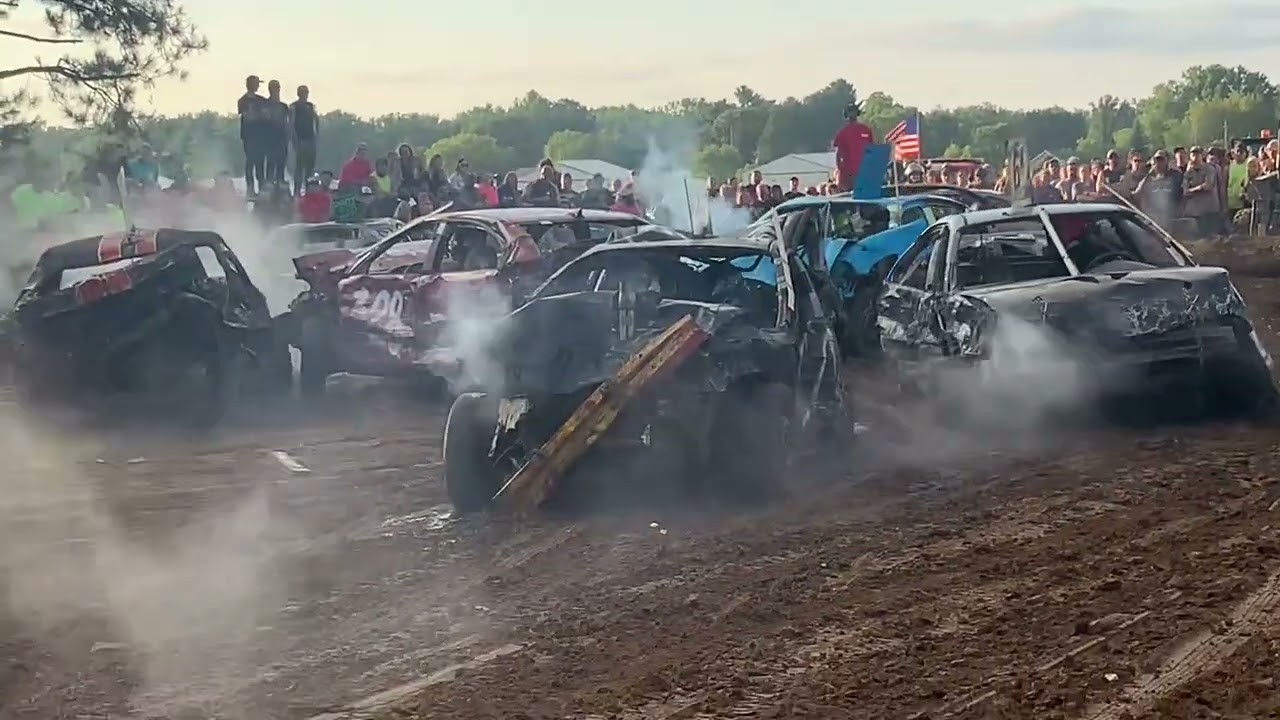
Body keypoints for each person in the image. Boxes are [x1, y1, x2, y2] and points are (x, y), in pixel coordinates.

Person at [831, 99, 874, 193]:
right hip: (849, 175)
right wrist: (841, 172)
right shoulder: (842, 133)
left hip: (865, 173)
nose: (852, 115)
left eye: (854, 112)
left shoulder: (866, 130)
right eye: (850, 112)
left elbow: (872, 150)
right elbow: (838, 154)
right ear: (846, 115)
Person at [1134, 151, 1180, 231]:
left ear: (1167, 161)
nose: (1159, 163)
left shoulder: (1175, 175)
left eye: (1161, 160)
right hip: (1153, 214)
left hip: (1169, 213)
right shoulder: (1149, 177)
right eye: (1157, 160)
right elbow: (1138, 192)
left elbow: (1179, 192)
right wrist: (1149, 175)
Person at [237, 75, 267, 197]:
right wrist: (258, 115)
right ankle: (250, 188)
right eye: (256, 83)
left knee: (260, 163)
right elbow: (247, 116)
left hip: (260, 135)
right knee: (250, 162)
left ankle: (261, 188)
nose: (258, 86)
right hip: (249, 135)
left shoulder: (262, 100)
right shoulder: (243, 100)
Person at [290, 85, 318, 196]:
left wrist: (316, 137)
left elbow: (316, 120)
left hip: (310, 139)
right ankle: (297, 191)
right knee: (299, 167)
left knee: (310, 168)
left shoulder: (310, 106)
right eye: (303, 93)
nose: (305, 95)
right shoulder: (294, 106)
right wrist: (294, 139)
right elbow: (291, 124)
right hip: (300, 139)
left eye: (306, 93)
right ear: (298, 94)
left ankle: (308, 190)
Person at [262, 80, 290, 190]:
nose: (276, 90)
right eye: (274, 88)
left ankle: (280, 180)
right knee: (270, 161)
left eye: (277, 88)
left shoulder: (283, 106)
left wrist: (288, 134)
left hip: (281, 137)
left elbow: (288, 122)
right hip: (270, 137)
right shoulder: (265, 105)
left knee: (281, 161)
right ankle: (269, 181)